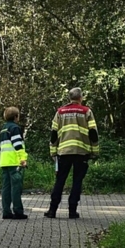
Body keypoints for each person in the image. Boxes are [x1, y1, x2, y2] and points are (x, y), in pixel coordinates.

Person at [46, 88, 100, 219]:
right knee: (77, 181)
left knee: (60, 180)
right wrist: (95, 151)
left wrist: (53, 152)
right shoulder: (86, 111)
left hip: (63, 152)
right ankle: (72, 211)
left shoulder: (60, 112)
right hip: (81, 152)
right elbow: (93, 133)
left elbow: (54, 134)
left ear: (69, 98)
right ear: (81, 98)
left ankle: (52, 210)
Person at [0, 106, 29, 220]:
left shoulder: (3, 128)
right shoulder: (15, 128)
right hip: (14, 161)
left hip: (4, 161)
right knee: (16, 187)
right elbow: (17, 145)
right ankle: (18, 211)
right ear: (16, 117)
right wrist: (23, 159)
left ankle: (6, 211)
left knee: (6, 187)